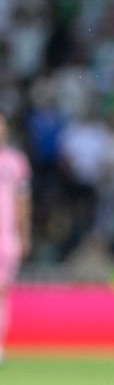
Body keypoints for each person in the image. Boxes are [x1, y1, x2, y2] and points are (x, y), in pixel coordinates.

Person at [0, 114, 31, 364]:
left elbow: (22, 202)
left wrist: (24, 234)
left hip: (5, 236)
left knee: (2, 292)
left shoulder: (15, 162)